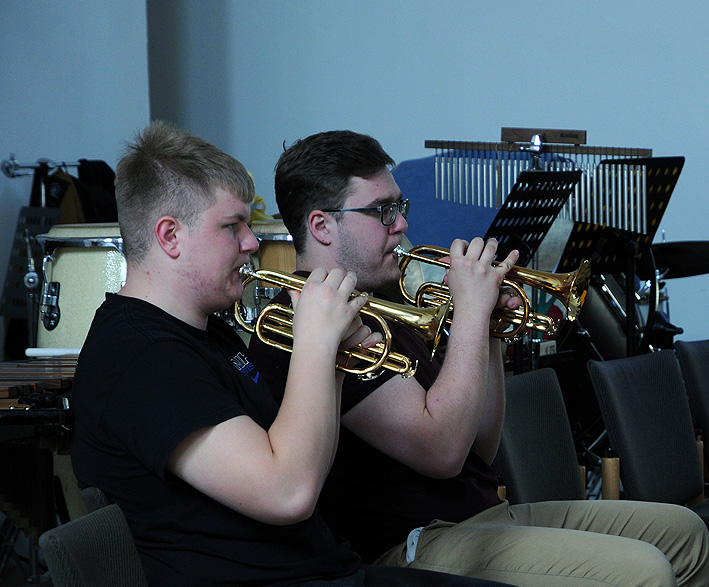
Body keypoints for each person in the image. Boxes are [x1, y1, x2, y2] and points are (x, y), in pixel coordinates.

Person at [249, 130, 709, 587]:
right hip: (416, 545)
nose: (402, 224)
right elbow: (444, 451)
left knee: (686, 535)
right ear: (321, 225)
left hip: (484, 516)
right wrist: (469, 313)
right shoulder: (307, 324)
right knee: (646, 569)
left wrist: (491, 332)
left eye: (399, 206)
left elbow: (481, 449)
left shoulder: (384, 302)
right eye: (381, 211)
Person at [69, 121, 511, 587]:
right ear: (170, 237)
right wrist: (317, 345)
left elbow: (301, 459)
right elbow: (289, 492)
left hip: (329, 571)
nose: (252, 243)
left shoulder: (209, 335)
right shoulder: (141, 356)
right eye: (231, 226)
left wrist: (340, 359)